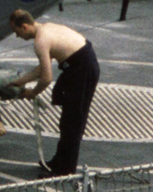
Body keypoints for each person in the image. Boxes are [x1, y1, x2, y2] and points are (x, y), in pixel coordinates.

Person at [8, 9, 101, 177]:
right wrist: (21, 81)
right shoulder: (46, 28)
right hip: (78, 64)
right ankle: (60, 160)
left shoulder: (40, 41)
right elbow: (42, 68)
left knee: (73, 122)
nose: (17, 37)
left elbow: (46, 78)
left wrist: (32, 93)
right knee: (66, 118)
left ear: (24, 27)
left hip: (82, 69)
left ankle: (65, 169)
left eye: (16, 32)